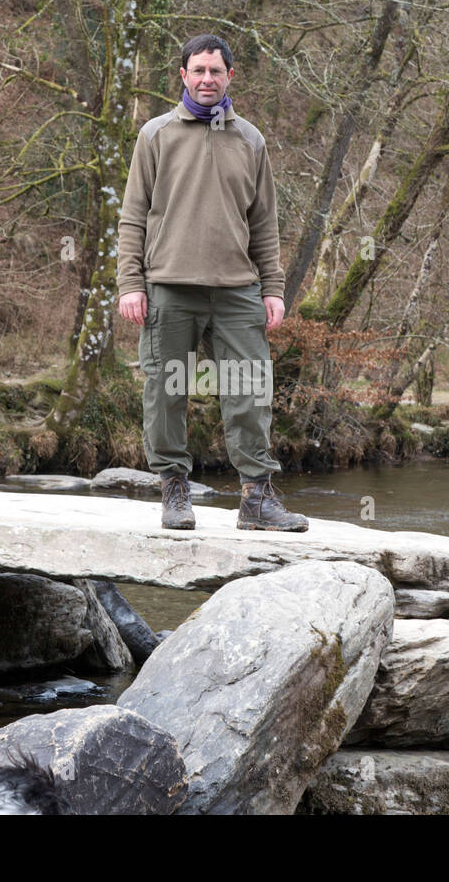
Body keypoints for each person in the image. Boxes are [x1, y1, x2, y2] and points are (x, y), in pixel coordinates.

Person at [115, 34, 308, 533]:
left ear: (229, 77)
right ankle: (174, 492)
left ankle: (256, 500)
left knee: (249, 392)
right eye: (197, 71)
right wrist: (129, 284)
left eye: (215, 72)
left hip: (237, 289)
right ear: (182, 75)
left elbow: (265, 224)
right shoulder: (155, 135)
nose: (206, 80)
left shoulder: (251, 140)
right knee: (166, 392)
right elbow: (133, 217)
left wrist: (273, 288)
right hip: (168, 289)